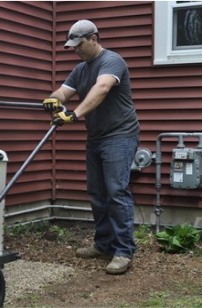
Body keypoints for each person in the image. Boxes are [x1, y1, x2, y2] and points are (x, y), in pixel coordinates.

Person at [43, 20, 140, 274]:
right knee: (96, 192)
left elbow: (102, 88)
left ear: (94, 38)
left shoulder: (112, 61)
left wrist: (74, 115)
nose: (76, 50)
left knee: (116, 191)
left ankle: (123, 251)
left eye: (80, 44)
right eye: (72, 46)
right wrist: (53, 100)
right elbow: (63, 92)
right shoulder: (80, 69)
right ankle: (103, 244)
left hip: (120, 135)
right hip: (96, 137)